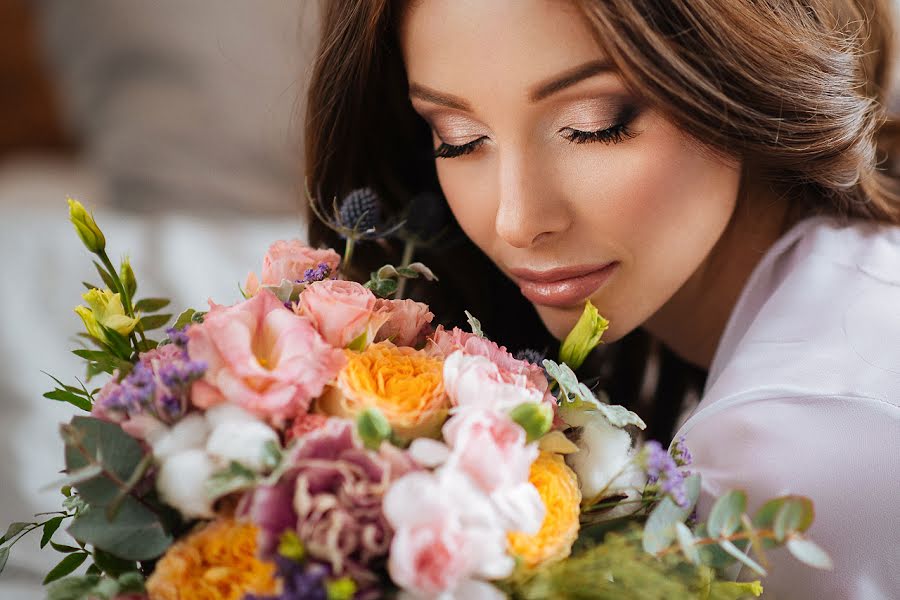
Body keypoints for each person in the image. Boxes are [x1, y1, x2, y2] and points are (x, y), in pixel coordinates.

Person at [302, 1, 900, 598]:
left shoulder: (793, 447)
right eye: (458, 140)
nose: (517, 221)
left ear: (744, 75)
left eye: (594, 124)